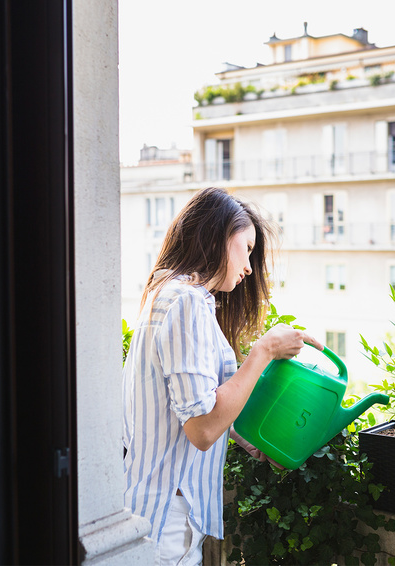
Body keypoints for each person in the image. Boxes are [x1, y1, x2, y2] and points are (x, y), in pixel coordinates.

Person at [122, 187, 322, 566]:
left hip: (152, 508)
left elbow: (189, 403)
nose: (249, 267)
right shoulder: (187, 301)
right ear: (217, 236)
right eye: (246, 248)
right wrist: (264, 351)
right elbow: (201, 428)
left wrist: (252, 443)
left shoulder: (166, 292)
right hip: (165, 518)